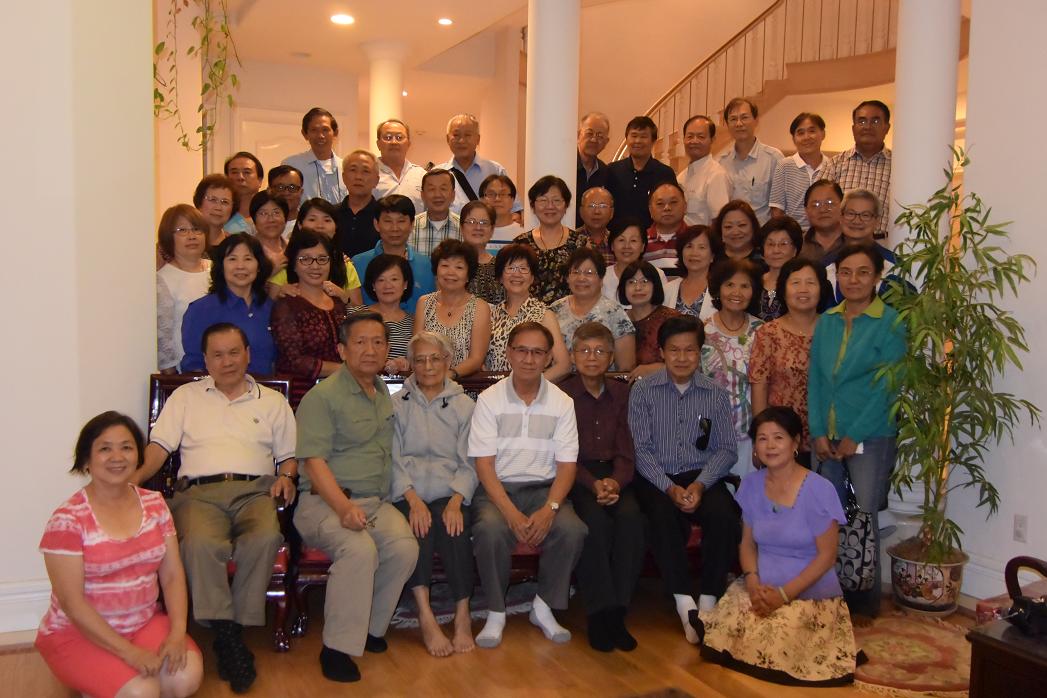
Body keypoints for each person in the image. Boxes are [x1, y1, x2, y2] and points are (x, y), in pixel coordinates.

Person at [137, 323, 297, 692]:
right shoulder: (185, 397)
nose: (227, 362)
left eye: (234, 352)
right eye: (218, 355)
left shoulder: (272, 401)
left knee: (265, 537)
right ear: (206, 360)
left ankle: (230, 630)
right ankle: (228, 636)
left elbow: (288, 457)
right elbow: (159, 449)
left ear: (248, 355)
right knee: (199, 543)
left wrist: (287, 477)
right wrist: (130, 482)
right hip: (198, 494)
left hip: (256, 491)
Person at [36, 412, 203, 698]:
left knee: (184, 680)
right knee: (142, 692)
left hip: (143, 622)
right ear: (86, 460)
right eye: (105, 448)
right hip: (76, 633)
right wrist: (130, 653)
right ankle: (103, 682)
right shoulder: (67, 519)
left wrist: (177, 632)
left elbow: (173, 575)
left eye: (126, 447)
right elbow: (72, 604)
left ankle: (112, 684)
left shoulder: (155, 504)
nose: (117, 457)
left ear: (138, 456)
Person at [294, 312, 420, 682]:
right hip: (324, 502)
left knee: (404, 548)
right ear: (342, 350)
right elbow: (313, 462)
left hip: (374, 503)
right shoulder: (322, 397)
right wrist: (343, 507)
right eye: (360, 342)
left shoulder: (382, 393)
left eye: (378, 342)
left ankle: (367, 628)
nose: (370, 350)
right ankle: (335, 648)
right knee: (359, 550)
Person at [692, 407, 857, 687]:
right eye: (762, 438)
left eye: (778, 438)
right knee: (733, 626)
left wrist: (784, 594)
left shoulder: (819, 489)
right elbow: (747, 543)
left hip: (807, 590)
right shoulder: (751, 484)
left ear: (795, 443)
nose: (770, 446)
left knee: (777, 637)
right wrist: (752, 582)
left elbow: (827, 556)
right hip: (763, 583)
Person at [468, 321, 587, 649]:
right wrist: (510, 512)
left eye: (537, 352)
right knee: (490, 530)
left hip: (544, 489)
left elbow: (567, 466)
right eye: (522, 350)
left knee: (572, 530)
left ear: (548, 358)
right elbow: (484, 465)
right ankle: (496, 612)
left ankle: (543, 607)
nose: (529, 359)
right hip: (498, 490)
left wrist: (550, 509)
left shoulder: (562, 402)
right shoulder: (489, 400)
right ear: (509, 353)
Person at [809, 242, 906, 621]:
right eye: (846, 272)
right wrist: (818, 431)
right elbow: (817, 381)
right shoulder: (827, 320)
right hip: (826, 435)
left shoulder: (890, 322)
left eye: (863, 272)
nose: (853, 280)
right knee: (826, 517)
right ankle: (828, 596)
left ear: (877, 277)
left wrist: (855, 434)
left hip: (871, 434)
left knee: (865, 517)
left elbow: (888, 387)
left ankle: (865, 603)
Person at [628, 315, 741, 641]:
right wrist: (669, 487)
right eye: (674, 350)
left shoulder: (714, 394)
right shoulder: (643, 391)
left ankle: (708, 599)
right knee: (661, 514)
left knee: (724, 515)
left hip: (700, 473)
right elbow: (641, 450)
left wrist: (700, 485)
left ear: (699, 352)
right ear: (662, 352)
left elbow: (726, 449)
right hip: (656, 475)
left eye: (689, 350)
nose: (681, 357)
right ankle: (683, 602)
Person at [559, 322, 644, 652]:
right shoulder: (562, 395)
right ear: (572, 356)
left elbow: (627, 447)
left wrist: (615, 482)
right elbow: (563, 452)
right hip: (576, 474)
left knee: (631, 519)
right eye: (584, 350)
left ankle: (618, 610)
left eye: (599, 351)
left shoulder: (623, 394)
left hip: (616, 473)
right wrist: (593, 484)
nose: (591, 357)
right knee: (593, 523)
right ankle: (598, 612)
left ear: (611, 357)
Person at [391, 332, 477, 657]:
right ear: (411, 365)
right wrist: (412, 500)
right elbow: (391, 459)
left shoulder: (464, 406)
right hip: (408, 492)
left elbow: (471, 461)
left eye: (435, 359)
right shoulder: (396, 405)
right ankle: (425, 614)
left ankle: (463, 613)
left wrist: (456, 500)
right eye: (420, 360)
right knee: (419, 528)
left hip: (449, 490)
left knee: (455, 528)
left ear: (447, 362)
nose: (428, 366)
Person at [750, 258, 831, 465]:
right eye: (795, 282)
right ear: (783, 290)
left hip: (828, 436)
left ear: (822, 288)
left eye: (810, 282)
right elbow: (759, 387)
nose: (803, 289)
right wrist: (761, 438)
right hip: (781, 437)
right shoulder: (768, 332)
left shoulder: (835, 329)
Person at [702, 258, 765, 476]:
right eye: (730, 284)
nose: (736, 292)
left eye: (745, 286)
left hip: (749, 432)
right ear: (718, 289)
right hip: (710, 433)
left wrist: (761, 436)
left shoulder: (763, 331)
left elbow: (764, 387)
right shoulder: (702, 330)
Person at [272, 230, 349, 408]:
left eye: (322, 259)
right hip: (301, 398)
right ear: (293, 264)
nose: (315, 266)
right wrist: (347, 370)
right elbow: (295, 360)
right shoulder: (287, 305)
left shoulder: (338, 303)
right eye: (305, 259)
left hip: (340, 394)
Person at [180, 233, 275, 376]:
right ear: (221, 266)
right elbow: (194, 366)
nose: (240, 266)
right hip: (216, 389)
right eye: (232, 259)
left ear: (259, 266)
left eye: (248, 259)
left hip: (265, 388)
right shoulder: (201, 310)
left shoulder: (271, 308)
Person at [484, 243, 571, 380]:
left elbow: (563, 365)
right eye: (510, 268)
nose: (517, 274)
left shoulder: (544, 314)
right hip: (495, 390)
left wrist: (532, 386)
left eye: (523, 268)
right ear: (500, 277)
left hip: (531, 390)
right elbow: (480, 360)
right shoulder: (489, 314)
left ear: (532, 277)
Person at [414, 239, 492, 380]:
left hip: (465, 385)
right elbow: (417, 350)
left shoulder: (480, 308)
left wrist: (450, 374)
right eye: (445, 265)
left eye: (459, 267)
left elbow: (476, 358)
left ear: (468, 275)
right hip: (426, 382)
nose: (451, 272)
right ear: (436, 271)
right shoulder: (424, 303)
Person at [550, 247, 636, 371]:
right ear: (568, 278)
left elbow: (626, 367)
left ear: (601, 279)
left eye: (589, 273)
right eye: (576, 272)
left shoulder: (615, 313)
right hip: (559, 381)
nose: (581, 278)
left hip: (603, 381)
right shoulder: (554, 310)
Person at [269, 197, 364, 306]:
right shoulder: (284, 263)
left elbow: (359, 309)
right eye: (312, 219)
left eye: (327, 220)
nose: (320, 226)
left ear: (336, 227)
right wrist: (280, 294)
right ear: (300, 225)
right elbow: (268, 307)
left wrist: (343, 296)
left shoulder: (345, 265)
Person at [514, 175, 590, 304]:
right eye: (543, 200)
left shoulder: (580, 243)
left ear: (566, 206)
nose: (550, 206)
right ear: (533, 206)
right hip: (529, 313)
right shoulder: (521, 243)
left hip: (571, 313)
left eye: (556, 200)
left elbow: (589, 283)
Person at [351, 194, 435, 309]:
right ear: (376, 224)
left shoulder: (427, 265)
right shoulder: (357, 263)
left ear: (412, 224)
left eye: (401, 221)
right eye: (388, 221)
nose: (395, 228)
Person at [824, 100, 893, 239]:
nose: (867, 127)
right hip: (840, 243)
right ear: (853, 128)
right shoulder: (834, 164)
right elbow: (822, 206)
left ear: (886, 128)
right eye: (861, 121)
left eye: (875, 121)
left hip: (883, 243)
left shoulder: (899, 167)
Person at [156, 204, 211, 373]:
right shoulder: (162, 279)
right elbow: (163, 337)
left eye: (197, 229)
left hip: (224, 367)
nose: (191, 236)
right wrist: (171, 376)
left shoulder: (218, 271)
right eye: (182, 230)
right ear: (168, 237)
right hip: (185, 372)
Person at [716, 98, 785, 224]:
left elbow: (780, 207)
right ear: (727, 125)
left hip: (763, 232)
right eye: (733, 119)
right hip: (732, 232)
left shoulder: (774, 158)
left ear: (756, 120)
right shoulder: (721, 162)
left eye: (744, 117)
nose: (739, 123)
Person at [604, 116, 677, 230]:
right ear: (627, 139)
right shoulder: (612, 170)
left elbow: (672, 208)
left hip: (652, 237)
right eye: (634, 136)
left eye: (643, 136)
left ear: (653, 141)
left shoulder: (665, 173)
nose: (637, 141)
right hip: (616, 237)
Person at [825, 188, 897, 303]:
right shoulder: (825, 264)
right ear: (841, 217)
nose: (857, 221)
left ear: (877, 221)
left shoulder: (895, 267)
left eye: (865, 215)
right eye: (850, 214)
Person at [350, 254, 416, 375]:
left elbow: (419, 359)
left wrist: (405, 364)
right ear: (373, 285)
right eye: (381, 280)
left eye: (394, 279)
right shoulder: (355, 315)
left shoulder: (415, 322)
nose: (387, 286)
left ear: (405, 284)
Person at [440, 113, 519, 214]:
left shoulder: (495, 170)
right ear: (447, 139)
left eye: (467, 135)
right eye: (456, 135)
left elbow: (515, 212)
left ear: (478, 139)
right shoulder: (437, 174)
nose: (461, 140)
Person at [620, 260, 680, 380]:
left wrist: (658, 368)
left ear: (655, 286)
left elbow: (688, 360)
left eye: (645, 281)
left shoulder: (672, 319)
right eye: (631, 282)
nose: (638, 287)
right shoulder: (618, 320)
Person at [769, 113, 828, 228]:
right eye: (800, 133)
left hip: (826, 233)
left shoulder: (832, 165)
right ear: (794, 139)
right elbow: (777, 211)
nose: (806, 137)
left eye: (812, 131)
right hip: (794, 233)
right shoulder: (784, 166)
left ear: (823, 134)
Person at [282, 107, 349, 205]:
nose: (320, 136)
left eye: (325, 130)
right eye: (314, 130)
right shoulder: (292, 165)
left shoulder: (347, 167)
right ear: (305, 134)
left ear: (335, 133)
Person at [677, 115, 730, 226]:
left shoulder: (716, 175)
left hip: (703, 236)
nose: (694, 141)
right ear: (684, 139)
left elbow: (719, 221)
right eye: (690, 136)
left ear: (712, 140)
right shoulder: (681, 177)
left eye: (701, 137)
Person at [603, 217, 668, 305]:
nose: (627, 246)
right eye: (621, 240)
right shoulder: (602, 277)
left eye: (633, 240)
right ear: (612, 246)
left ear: (642, 246)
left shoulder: (658, 275)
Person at [662, 224, 722, 320]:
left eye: (701, 247)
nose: (694, 253)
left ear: (712, 256)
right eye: (689, 246)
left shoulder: (721, 290)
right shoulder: (667, 290)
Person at [334, 150, 381, 258]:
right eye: (353, 170)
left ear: (376, 180)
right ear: (343, 177)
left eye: (366, 171)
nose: (358, 177)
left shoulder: (383, 216)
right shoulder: (331, 214)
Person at [373, 118, 426, 215]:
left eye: (399, 137)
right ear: (378, 144)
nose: (394, 142)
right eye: (388, 137)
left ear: (408, 144)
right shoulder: (369, 173)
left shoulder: (421, 175)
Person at [757, 216, 803, 321]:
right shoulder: (753, 282)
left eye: (783, 244)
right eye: (770, 244)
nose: (776, 250)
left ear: (795, 250)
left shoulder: (802, 286)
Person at [461, 199, 504, 304]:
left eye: (484, 223)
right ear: (461, 227)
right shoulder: (449, 264)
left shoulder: (501, 266)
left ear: (492, 229)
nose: (478, 227)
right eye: (471, 222)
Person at [410, 168, 461, 256]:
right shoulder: (409, 228)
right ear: (422, 195)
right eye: (431, 189)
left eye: (443, 189)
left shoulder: (464, 228)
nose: (437, 195)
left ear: (453, 195)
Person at [644, 182, 689, 276]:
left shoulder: (695, 239)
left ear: (685, 206)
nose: (667, 208)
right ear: (650, 210)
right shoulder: (641, 241)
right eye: (660, 203)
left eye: (673, 202)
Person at [798, 179, 845, 264]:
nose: (823, 209)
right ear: (806, 211)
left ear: (843, 206)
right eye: (815, 205)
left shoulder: (854, 243)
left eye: (829, 203)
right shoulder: (798, 246)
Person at [576, 111, 611, 226]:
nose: (594, 140)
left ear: (606, 142)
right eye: (589, 133)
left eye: (600, 136)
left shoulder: (606, 172)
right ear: (578, 135)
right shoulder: (564, 166)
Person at [479, 174, 524, 253]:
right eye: (491, 194)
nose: (497, 199)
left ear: (513, 199)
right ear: (482, 199)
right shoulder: (475, 231)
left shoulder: (523, 234)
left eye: (503, 194)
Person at [192, 173, 238, 250]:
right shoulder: (188, 243)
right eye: (213, 200)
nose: (218, 207)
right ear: (200, 202)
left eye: (225, 202)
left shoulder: (235, 247)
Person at [224, 151, 265, 233]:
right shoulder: (220, 216)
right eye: (234, 172)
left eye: (247, 172)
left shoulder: (270, 215)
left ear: (260, 180)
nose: (240, 177)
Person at [249, 190, 289, 274]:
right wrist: (270, 272)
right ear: (254, 219)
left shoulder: (293, 248)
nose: (271, 219)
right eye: (263, 213)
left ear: (285, 218)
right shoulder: (247, 250)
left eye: (276, 212)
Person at [713, 199, 762, 263]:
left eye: (742, 225)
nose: (735, 232)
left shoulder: (765, 258)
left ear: (753, 226)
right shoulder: (711, 258)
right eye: (728, 226)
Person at [577, 187, 615, 264]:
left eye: (603, 206)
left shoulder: (617, 243)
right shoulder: (570, 241)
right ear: (581, 211)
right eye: (591, 206)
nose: (597, 211)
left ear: (612, 213)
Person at [267, 164, 305, 240]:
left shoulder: (307, 224)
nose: (286, 193)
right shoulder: (260, 224)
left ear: (301, 192)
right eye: (280, 187)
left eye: (292, 187)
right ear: (269, 191)